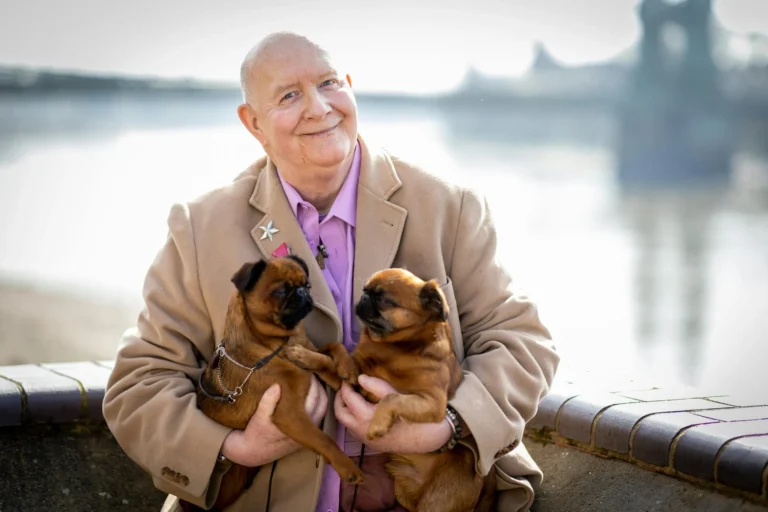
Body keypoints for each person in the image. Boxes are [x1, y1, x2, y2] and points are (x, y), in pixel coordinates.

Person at [103, 32, 559, 512]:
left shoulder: (450, 206)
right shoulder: (200, 228)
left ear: (350, 86)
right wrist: (237, 447)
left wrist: (446, 425)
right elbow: (141, 381)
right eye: (290, 95)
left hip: (434, 494)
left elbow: (523, 340)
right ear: (253, 123)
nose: (319, 108)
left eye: (328, 83)